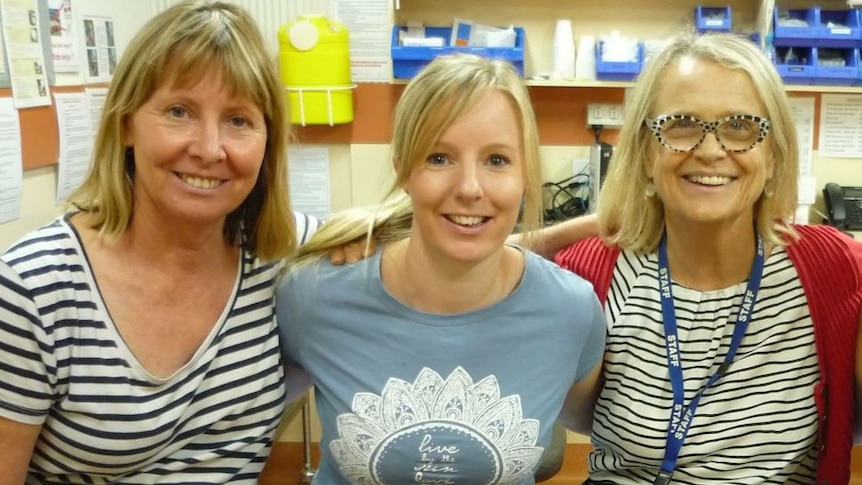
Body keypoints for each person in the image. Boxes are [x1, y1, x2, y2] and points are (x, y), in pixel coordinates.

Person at [0, 1, 321, 482]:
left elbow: (415, 243)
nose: (210, 149)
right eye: (179, 111)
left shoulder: (285, 255)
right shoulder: (33, 287)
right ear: (126, 123)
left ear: (267, 140)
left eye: (239, 120)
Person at [275, 53, 606, 484]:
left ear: (526, 175)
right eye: (439, 158)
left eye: (497, 160)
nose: (469, 188)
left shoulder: (571, 311)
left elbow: (596, 420)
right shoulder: (315, 295)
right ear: (403, 169)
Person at [549, 31, 862, 483]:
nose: (712, 150)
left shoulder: (835, 271)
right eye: (681, 124)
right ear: (644, 153)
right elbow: (580, 416)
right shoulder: (590, 274)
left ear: (773, 155)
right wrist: (558, 235)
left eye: (740, 127)